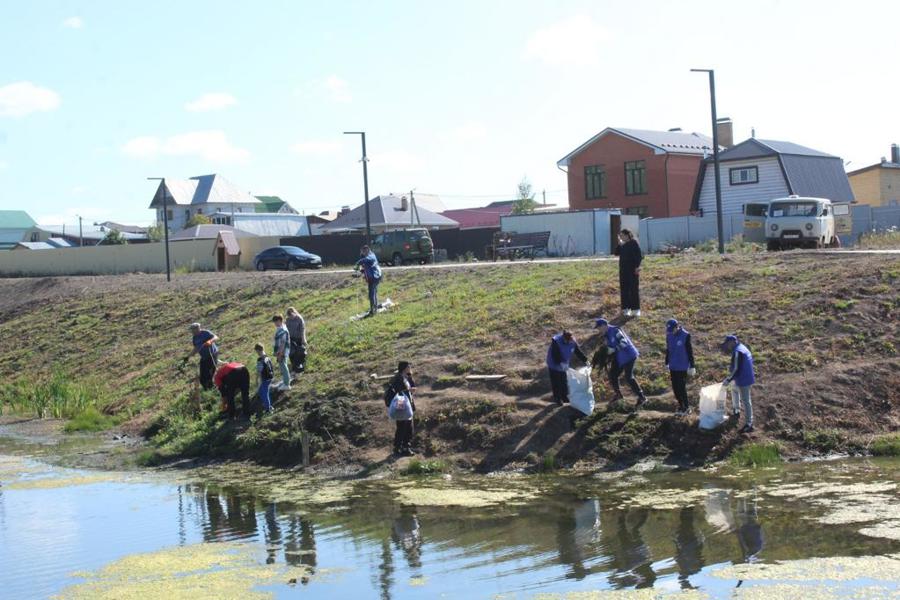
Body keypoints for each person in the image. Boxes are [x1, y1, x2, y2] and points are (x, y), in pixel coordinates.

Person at [594, 318, 647, 407]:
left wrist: (613, 349)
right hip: (620, 358)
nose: (598, 330)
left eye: (599, 328)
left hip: (629, 356)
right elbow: (610, 348)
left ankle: (642, 397)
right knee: (612, 374)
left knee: (628, 377)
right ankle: (618, 395)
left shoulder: (615, 330)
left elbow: (624, 342)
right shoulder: (606, 335)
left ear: (604, 325)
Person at [721, 334, 756, 433]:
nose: (727, 346)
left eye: (727, 344)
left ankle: (749, 423)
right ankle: (736, 410)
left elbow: (736, 368)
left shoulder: (738, 352)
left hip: (744, 378)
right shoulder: (742, 347)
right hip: (743, 377)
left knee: (746, 400)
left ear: (732, 342)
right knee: (735, 391)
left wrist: (728, 379)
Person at [546, 330, 588, 406]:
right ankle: (558, 399)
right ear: (563, 337)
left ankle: (565, 397)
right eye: (566, 340)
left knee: (564, 380)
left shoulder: (572, 341)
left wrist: (585, 360)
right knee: (556, 381)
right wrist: (560, 363)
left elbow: (577, 352)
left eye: (569, 341)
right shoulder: (556, 341)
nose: (568, 342)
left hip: (564, 363)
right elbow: (555, 355)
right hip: (553, 363)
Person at [385, 361, 416, 456]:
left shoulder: (408, 377)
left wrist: (411, 385)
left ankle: (406, 446)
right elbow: (397, 390)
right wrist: (408, 390)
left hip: (408, 403)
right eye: (408, 366)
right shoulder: (398, 378)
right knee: (402, 426)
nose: (410, 367)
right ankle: (398, 447)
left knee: (409, 427)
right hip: (400, 402)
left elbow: (412, 386)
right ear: (404, 368)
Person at [665, 319, 696, 416]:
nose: (671, 332)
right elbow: (668, 349)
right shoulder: (669, 335)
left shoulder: (685, 335)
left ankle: (686, 408)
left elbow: (689, 351)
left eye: (672, 330)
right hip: (673, 366)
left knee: (681, 387)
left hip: (682, 366)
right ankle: (681, 405)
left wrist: (692, 365)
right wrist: (666, 362)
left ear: (677, 327)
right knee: (675, 388)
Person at [613, 229, 643, 317]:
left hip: (632, 271)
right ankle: (626, 309)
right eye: (620, 236)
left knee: (633, 290)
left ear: (627, 235)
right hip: (623, 271)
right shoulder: (622, 245)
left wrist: (637, 267)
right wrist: (619, 244)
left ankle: (635, 309)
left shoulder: (634, 243)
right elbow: (616, 253)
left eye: (622, 235)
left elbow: (639, 256)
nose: (621, 237)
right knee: (624, 290)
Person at [186, 323, 219, 390]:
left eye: (193, 330)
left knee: (209, 375)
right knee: (202, 378)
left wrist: (210, 341)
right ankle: (207, 390)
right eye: (191, 330)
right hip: (204, 357)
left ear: (197, 328)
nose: (192, 332)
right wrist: (188, 357)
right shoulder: (194, 338)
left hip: (212, 354)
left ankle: (213, 389)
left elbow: (216, 337)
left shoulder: (205, 333)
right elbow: (196, 349)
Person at [355, 244, 383, 317]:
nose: (362, 253)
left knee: (371, 294)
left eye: (363, 252)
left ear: (367, 250)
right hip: (372, 278)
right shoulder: (366, 257)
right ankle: (375, 307)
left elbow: (367, 260)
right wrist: (360, 272)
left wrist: (358, 263)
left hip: (375, 277)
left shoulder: (371, 255)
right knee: (373, 293)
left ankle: (373, 311)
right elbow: (366, 268)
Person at [285, 307, 308, 373]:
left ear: (294, 313)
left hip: (298, 338)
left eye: (291, 316)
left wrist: (303, 339)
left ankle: (301, 367)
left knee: (300, 352)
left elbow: (302, 329)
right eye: (289, 316)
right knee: (291, 353)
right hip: (291, 338)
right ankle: (294, 368)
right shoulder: (287, 320)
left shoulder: (299, 318)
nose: (291, 318)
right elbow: (286, 330)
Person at [272, 314, 291, 391]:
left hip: (282, 352)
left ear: (279, 320)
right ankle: (285, 381)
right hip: (281, 351)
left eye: (276, 322)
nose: (275, 324)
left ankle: (287, 384)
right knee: (283, 366)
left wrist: (279, 353)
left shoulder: (282, 329)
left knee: (284, 367)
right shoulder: (280, 328)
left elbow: (283, 342)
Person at [254, 343, 275, 414]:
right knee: (261, 391)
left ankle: (268, 409)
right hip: (270, 377)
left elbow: (259, 371)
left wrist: (256, 379)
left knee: (264, 393)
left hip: (265, 378)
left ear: (258, 350)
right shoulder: (267, 357)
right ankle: (268, 405)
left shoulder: (260, 359)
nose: (257, 353)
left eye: (256, 351)